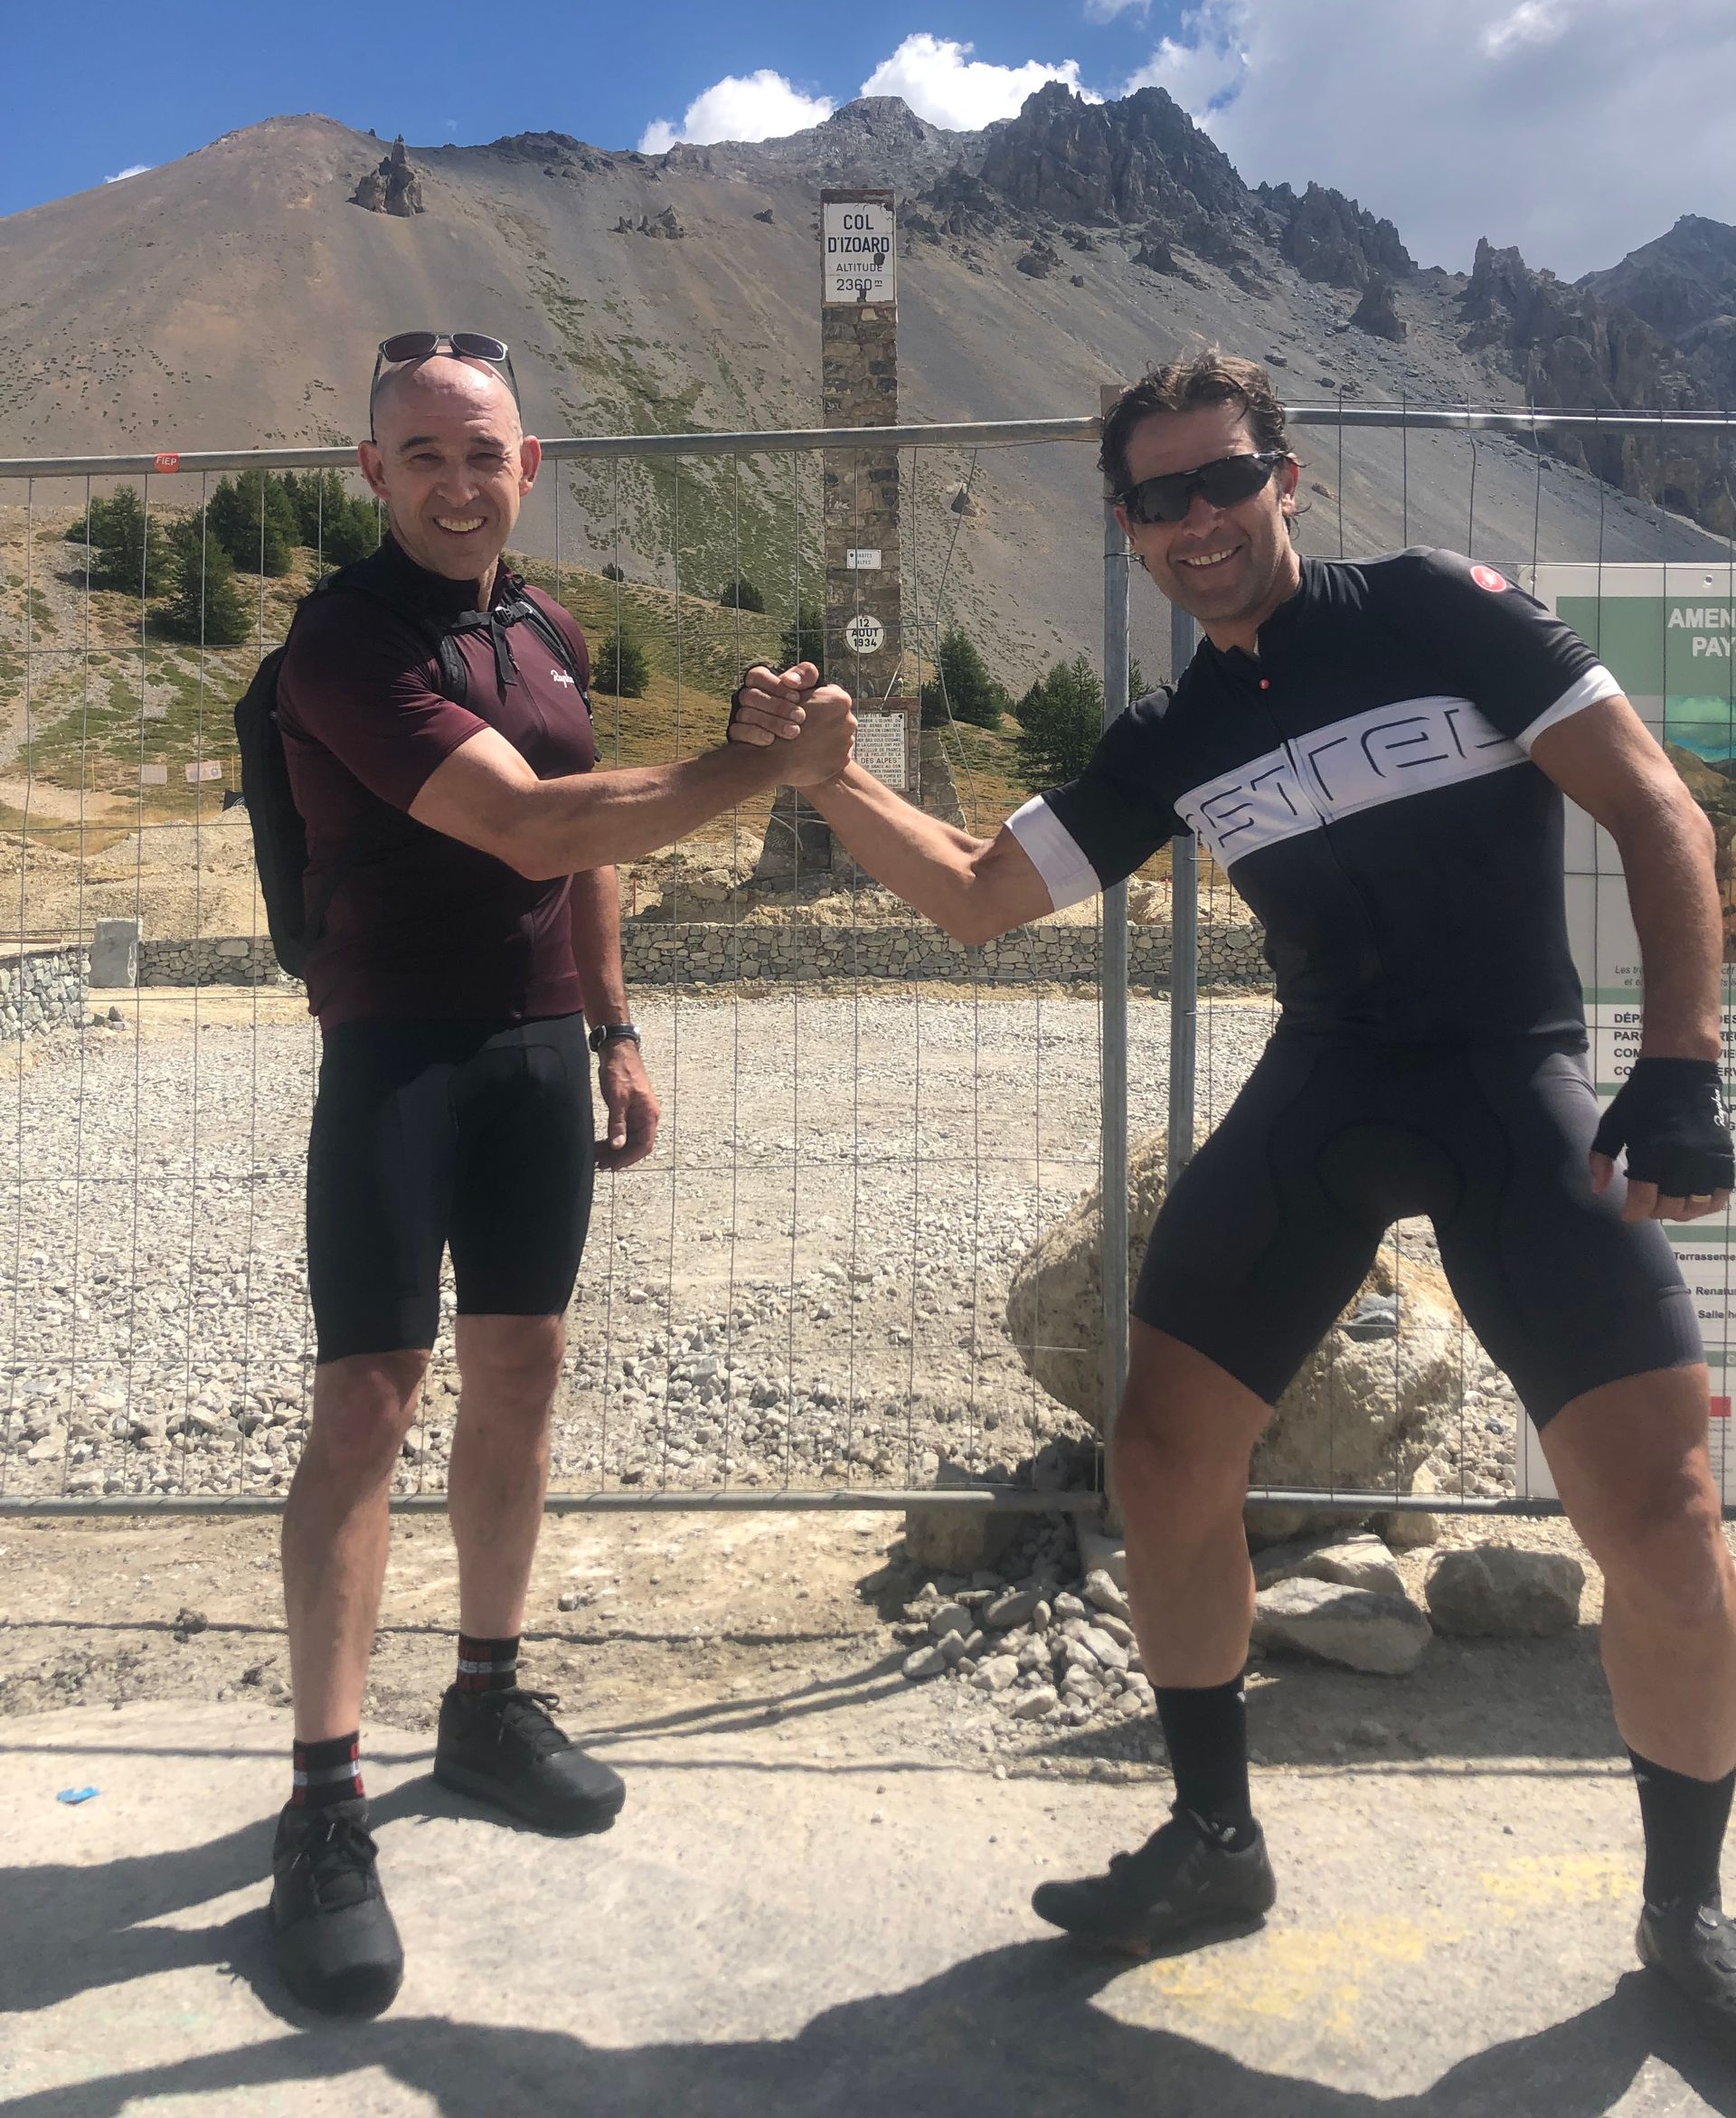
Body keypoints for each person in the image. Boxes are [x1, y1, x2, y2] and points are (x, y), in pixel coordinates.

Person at [730, 352, 1736, 2047]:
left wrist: (1686, 1062)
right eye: (1158, 497)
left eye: (1225, 478)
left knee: (1664, 1529)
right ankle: (1212, 1842)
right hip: (1329, 1087)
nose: (1198, 519)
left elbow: (1655, 807)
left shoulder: (1435, 607)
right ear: (1125, 528)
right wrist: (830, 778)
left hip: (1515, 1082)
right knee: (1163, 1456)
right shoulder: (1176, 732)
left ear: (1290, 477)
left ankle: (1683, 1913)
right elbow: (982, 902)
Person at [270, 331, 855, 2018]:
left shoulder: (547, 627)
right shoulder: (343, 639)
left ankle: (488, 1695)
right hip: (394, 1046)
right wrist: (761, 770)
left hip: (534, 1052)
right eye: (426, 455)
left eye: (489, 453)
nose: (461, 482)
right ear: (374, 473)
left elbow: (586, 829)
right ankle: (324, 1800)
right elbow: (530, 824)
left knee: (521, 1372)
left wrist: (614, 1025)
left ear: (532, 469)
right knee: (368, 1404)